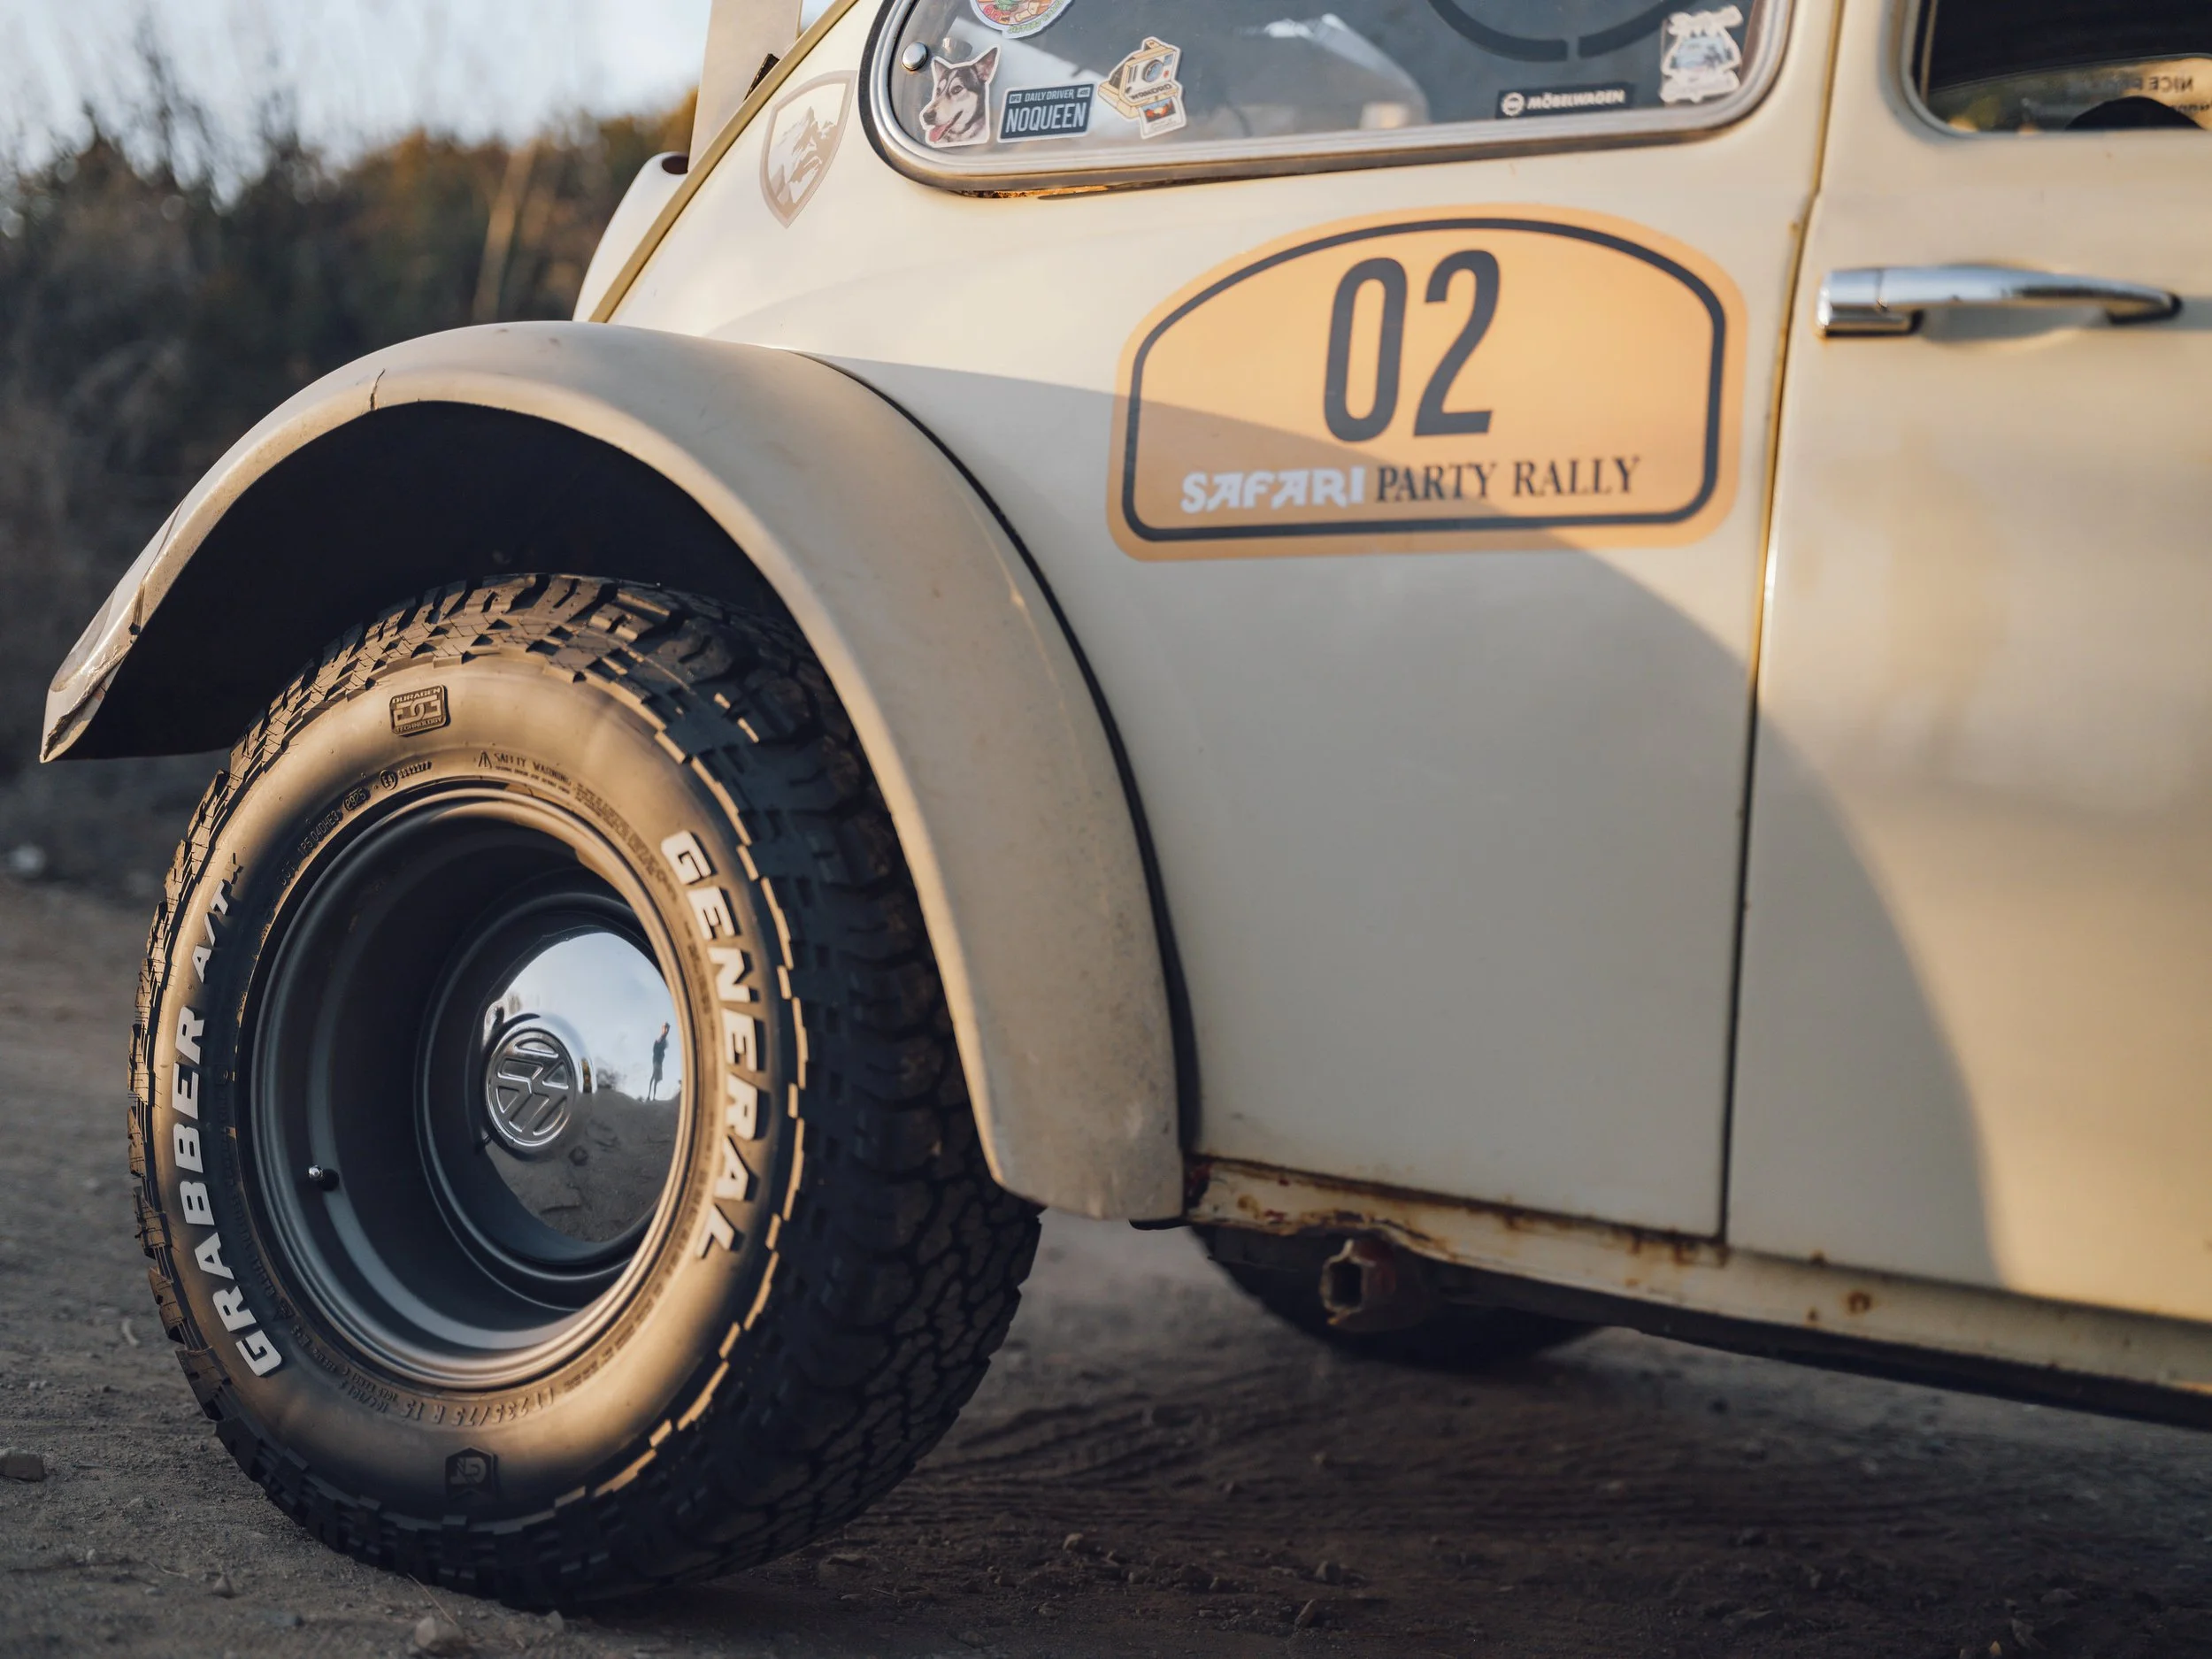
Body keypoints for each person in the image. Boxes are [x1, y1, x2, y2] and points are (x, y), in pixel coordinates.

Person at [649, 1022, 669, 1100]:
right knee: (653, 1078)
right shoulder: (659, 1043)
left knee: (655, 1080)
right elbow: (656, 1048)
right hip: (657, 1062)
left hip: (658, 1063)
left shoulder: (661, 1047)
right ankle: (649, 1096)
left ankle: (652, 1096)